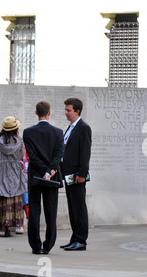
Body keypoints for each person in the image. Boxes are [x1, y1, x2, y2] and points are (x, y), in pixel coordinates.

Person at [23, 101, 64, 254]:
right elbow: (58, 155)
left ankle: (35, 245)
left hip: (35, 177)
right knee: (51, 213)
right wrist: (50, 170)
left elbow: (32, 156)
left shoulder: (28, 132)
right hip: (52, 177)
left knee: (34, 212)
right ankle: (48, 246)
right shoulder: (58, 132)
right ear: (49, 113)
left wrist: (43, 171)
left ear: (36, 113)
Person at [0, 116, 27, 237]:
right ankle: (8, 229)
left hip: (0, 172)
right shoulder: (19, 141)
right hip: (15, 173)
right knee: (12, 199)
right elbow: (21, 157)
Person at [60, 97, 92, 251]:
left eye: (68, 110)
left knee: (79, 207)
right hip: (68, 175)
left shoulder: (83, 128)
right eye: (66, 110)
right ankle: (74, 238)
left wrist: (82, 174)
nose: (66, 113)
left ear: (77, 111)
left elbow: (85, 153)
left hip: (77, 176)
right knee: (72, 207)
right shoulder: (71, 128)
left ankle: (81, 240)